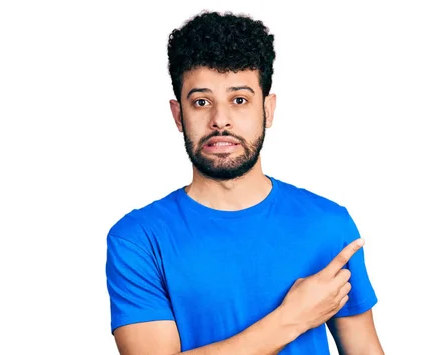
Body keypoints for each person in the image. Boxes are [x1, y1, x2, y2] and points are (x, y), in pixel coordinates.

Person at [105, 10, 384, 355]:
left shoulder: (328, 224)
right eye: (201, 102)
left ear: (268, 110)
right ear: (179, 115)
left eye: (239, 100)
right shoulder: (137, 239)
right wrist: (292, 318)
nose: (220, 120)